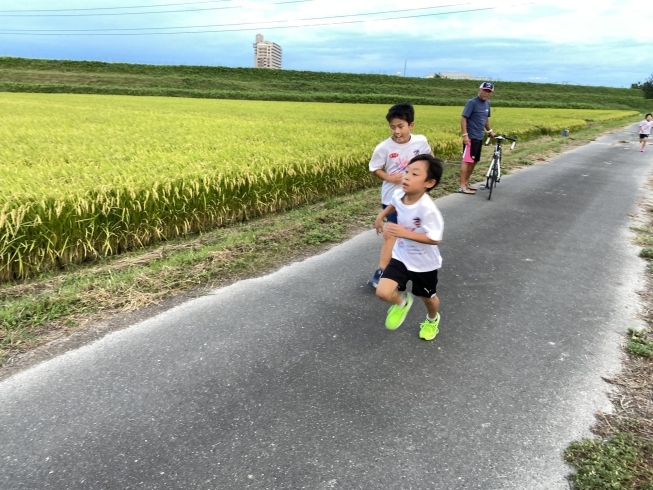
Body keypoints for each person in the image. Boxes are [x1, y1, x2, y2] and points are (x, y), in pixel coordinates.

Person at [374, 154, 445, 341]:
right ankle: (401, 302)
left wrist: (404, 233)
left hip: (424, 264)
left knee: (428, 299)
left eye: (414, 174)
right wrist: (381, 216)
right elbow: (394, 204)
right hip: (401, 256)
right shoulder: (399, 194)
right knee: (382, 292)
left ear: (429, 182)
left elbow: (435, 238)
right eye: (406, 171)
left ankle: (432, 319)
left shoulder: (427, 209)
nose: (406, 176)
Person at [367, 103, 433, 288]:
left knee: (411, 234)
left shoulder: (420, 142)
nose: (396, 131)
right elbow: (374, 168)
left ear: (411, 125)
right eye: (392, 127)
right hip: (391, 198)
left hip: (415, 199)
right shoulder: (384, 147)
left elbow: (429, 159)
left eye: (400, 126)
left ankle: (407, 269)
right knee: (391, 234)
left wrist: (429, 179)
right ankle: (381, 272)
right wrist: (389, 177)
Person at [459, 82, 496, 194]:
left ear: (491, 93)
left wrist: (489, 131)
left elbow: (485, 119)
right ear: (479, 90)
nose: (486, 93)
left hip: (479, 137)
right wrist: (465, 135)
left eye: (488, 91)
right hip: (470, 137)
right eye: (484, 90)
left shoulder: (487, 104)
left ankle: (466, 182)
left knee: (474, 161)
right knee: (467, 161)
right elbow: (463, 118)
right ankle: (462, 186)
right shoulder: (472, 102)